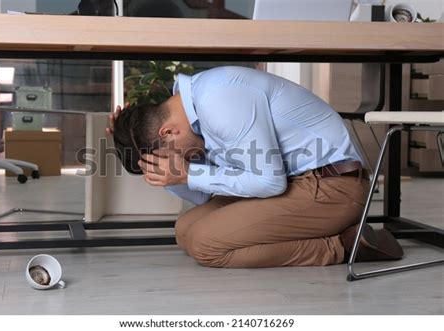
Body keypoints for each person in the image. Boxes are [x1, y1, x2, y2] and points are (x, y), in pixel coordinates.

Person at [108, 66, 403, 268]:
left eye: (166, 157)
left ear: (167, 133)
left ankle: (342, 246)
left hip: (333, 186)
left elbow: (269, 182)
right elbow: (204, 194)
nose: (176, 162)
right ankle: (317, 232)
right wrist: (126, 141)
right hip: (294, 181)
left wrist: (188, 172)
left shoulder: (219, 101)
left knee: (205, 245)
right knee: (185, 229)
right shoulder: (191, 110)